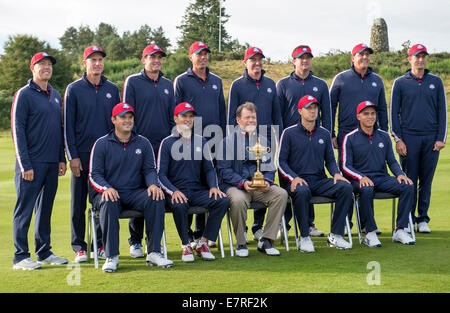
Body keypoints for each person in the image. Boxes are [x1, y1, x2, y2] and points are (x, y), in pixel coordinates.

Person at [89, 102, 173, 272]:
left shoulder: (143, 143)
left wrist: (152, 185)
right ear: (114, 120)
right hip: (110, 193)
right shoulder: (101, 143)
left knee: (156, 197)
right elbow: (94, 174)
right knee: (108, 201)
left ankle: (154, 251)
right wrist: (106, 188)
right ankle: (111, 255)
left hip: (135, 193)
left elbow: (150, 170)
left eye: (130, 117)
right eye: (122, 118)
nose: (127, 121)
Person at [11, 52, 68, 270]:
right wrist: (25, 165)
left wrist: (61, 158)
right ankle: (20, 256)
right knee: (24, 210)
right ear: (32, 68)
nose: (46, 67)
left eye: (49, 64)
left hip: (51, 165)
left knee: (45, 210)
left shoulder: (55, 94)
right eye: (41, 64)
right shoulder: (24, 94)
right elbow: (18, 131)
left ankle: (44, 252)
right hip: (31, 165)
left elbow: (57, 130)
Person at [64, 45, 120, 263]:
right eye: (93, 60)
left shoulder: (112, 89)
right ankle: (79, 247)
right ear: (84, 63)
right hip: (82, 155)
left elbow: (116, 122)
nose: (97, 63)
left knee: (102, 200)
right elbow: (68, 125)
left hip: (105, 156)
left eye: (100, 60)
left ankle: (101, 245)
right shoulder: (74, 88)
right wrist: (73, 156)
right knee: (78, 203)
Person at [277, 95, 353, 252]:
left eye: (315, 108)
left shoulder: (324, 133)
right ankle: (304, 237)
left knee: (345, 187)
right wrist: (294, 177)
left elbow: (330, 161)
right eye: (308, 108)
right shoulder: (288, 133)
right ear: (300, 111)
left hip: (319, 180)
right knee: (303, 191)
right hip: (296, 181)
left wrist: (336, 173)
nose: (313, 111)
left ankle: (336, 235)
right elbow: (281, 162)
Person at [122, 43, 176, 258]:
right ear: (144, 60)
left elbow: (172, 117)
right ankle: (135, 241)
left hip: (162, 148)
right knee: (139, 190)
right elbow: (126, 116)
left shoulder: (167, 84)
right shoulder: (133, 82)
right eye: (151, 57)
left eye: (159, 57)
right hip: (138, 147)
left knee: (158, 195)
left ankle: (154, 242)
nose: (156, 61)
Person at [157, 102, 229, 262]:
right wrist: (173, 191)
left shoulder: (201, 141)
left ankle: (203, 243)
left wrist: (213, 187)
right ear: (176, 119)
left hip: (197, 191)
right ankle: (186, 245)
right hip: (175, 191)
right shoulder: (167, 143)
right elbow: (160, 174)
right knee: (180, 204)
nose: (188, 119)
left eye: (190, 116)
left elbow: (209, 169)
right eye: (184, 116)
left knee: (222, 200)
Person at [330, 43, 388, 230]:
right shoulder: (341, 79)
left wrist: (385, 134)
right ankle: (346, 222)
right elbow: (330, 108)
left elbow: (382, 110)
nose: (364, 58)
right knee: (348, 181)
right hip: (347, 136)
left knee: (368, 179)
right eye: (360, 55)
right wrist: (331, 133)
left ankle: (367, 224)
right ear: (352, 58)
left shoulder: (377, 80)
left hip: (372, 136)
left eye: (367, 55)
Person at [173, 41, 227, 247]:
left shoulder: (216, 80)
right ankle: (186, 235)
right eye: (199, 54)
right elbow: (176, 113)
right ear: (191, 57)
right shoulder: (181, 81)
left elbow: (222, 113)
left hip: (213, 142)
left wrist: (222, 141)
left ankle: (201, 234)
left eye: (205, 54)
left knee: (207, 185)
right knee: (186, 185)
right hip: (187, 143)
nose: (203, 57)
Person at [217, 102, 288, 257]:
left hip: (259, 187)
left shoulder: (263, 141)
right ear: (238, 120)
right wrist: (242, 183)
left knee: (281, 194)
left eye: (253, 117)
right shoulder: (227, 142)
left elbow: (270, 167)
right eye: (247, 117)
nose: (251, 120)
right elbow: (224, 171)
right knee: (237, 200)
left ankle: (267, 240)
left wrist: (267, 182)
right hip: (236, 186)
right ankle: (241, 243)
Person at [227, 46, 283, 242]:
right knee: (246, 176)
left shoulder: (270, 83)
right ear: (246, 62)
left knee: (264, 178)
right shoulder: (237, 84)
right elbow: (231, 117)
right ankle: (242, 237)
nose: (257, 63)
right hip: (242, 139)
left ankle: (259, 227)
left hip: (266, 140)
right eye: (253, 60)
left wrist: (280, 136)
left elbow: (277, 113)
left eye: (260, 59)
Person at [390, 44, 447, 233]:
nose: (420, 60)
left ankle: (422, 218)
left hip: (431, 139)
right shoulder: (400, 82)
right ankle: (407, 219)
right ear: (410, 59)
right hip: (409, 138)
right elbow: (393, 114)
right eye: (417, 56)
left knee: (426, 181)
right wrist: (398, 139)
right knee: (408, 181)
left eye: (423, 56)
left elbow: (442, 112)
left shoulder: (436, 82)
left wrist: (441, 138)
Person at [276, 45, 332, 238]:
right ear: (294, 61)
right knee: (291, 184)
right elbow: (279, 114)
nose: (305, 61)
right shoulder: (283, 84)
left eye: (308, 58)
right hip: (289, 141)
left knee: (311, 178)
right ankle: (284, 224)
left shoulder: (321, 84)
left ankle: (308, 225)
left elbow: (327, 113)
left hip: (314, 138)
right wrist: (280, 138)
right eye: (301, 58)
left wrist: (329, 135)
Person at [342, 101, 416, 246]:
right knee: (367, 188)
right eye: (366, 114)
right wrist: (361, 177)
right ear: (358, 116)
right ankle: (370, 232)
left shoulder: (383, 136)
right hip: (360, 180)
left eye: (373, 113)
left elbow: (392, 161)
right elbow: (345, 165)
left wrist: (400, 174)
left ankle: (400, 229)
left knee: (407, 185)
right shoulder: (350, 137)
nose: (370, 117)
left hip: (382, 178)